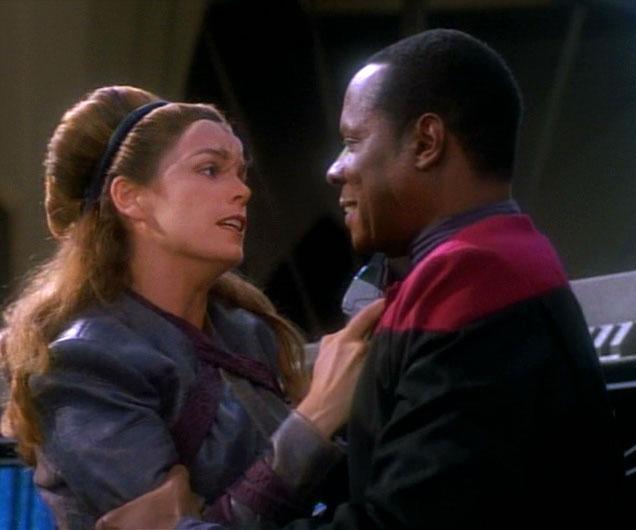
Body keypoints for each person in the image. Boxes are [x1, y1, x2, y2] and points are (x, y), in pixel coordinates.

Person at [91, 28, 626, 530]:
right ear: (127, 199)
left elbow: (400, 518)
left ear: (426, 142)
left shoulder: (468, 278)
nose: (335, 169)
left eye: (353, 141)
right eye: (209, 170)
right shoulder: (498, 258)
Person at [0, 85, 384, 529]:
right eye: (210, 170)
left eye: (240, 172)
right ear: (130, 197)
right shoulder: (85, 362)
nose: (242, 191)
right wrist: (314, 419)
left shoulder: (245, 332)